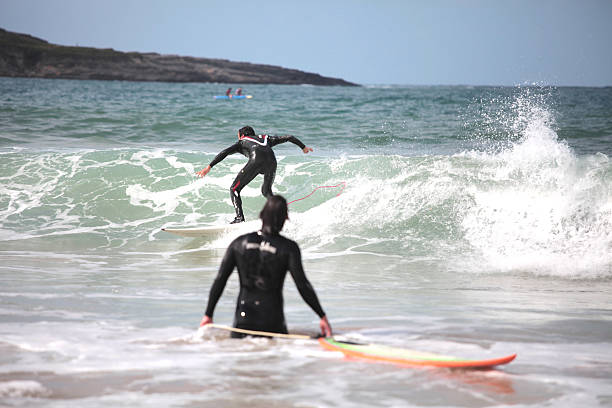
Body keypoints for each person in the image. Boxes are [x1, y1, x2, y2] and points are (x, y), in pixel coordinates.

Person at [199, 195, 332, 338]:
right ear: (285, 218)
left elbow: (220, 279)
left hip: (243, 320)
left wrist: (208, 314)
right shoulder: (288, 248)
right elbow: (302, 285)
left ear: (262, 215)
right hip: (272, 321)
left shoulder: (238, 243)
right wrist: (322, 316)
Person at [196, 126, 313, 223]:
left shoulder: (242, 141)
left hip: (257, 161)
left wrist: (209, 167)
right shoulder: (266, 138)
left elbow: (225, 152)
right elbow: (289, 137)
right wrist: (304, 148)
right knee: (266, 191)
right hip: (272, 162)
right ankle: (280, 213)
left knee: (234, 189)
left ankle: (239, 218)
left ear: (241, 135)